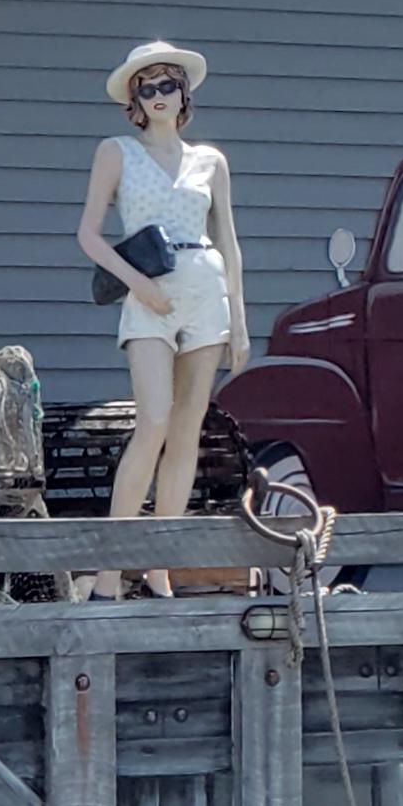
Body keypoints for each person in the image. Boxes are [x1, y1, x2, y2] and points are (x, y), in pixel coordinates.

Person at [74, 40, 246, 597]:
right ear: (135, 101)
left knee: (186, 430)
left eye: (167, 84)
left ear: (183, 91)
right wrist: (138, 283)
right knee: (152, 420)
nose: (159, 96)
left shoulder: (210, 161)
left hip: (205, 291)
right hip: (149, 291)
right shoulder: (117, 151)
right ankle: (108, 569)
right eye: (147, 88)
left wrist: (239, 322)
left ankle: (159, 566)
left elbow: (229, 242)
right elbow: (89, 234)